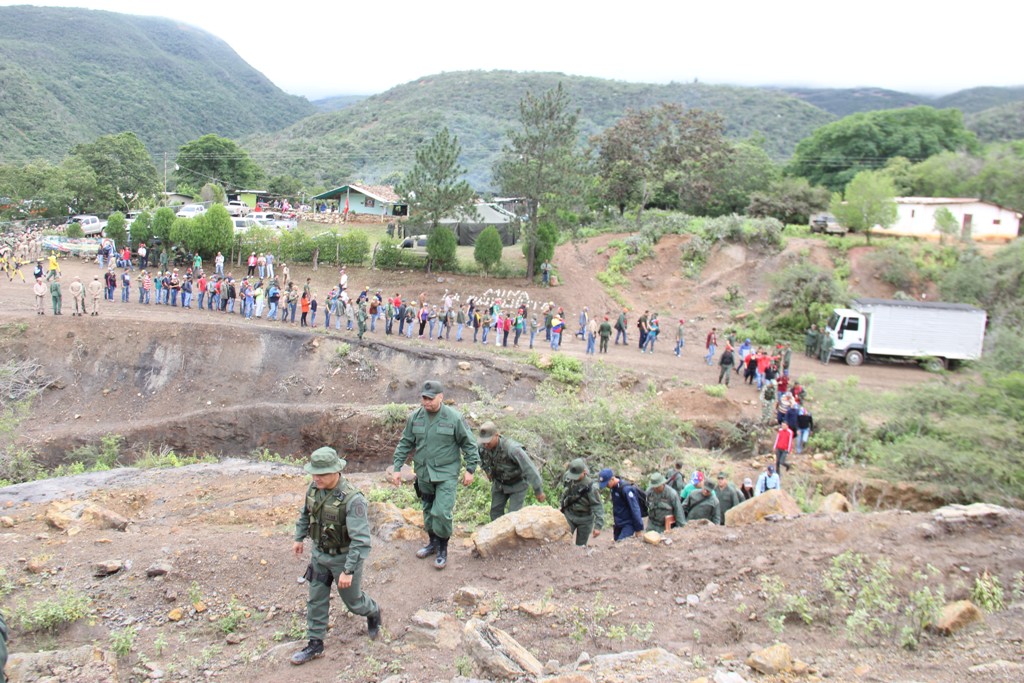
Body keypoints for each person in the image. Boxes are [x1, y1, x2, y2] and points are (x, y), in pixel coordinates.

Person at [291, 447, 382, 665]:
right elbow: (306, 514)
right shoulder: (313, 489)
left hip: (343, 559)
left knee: (354, 603)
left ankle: (373, 611)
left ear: (336, 471)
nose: (316, 478)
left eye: (321, 474)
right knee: (316, 599)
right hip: (320, 556)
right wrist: (298, 537)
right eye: (314, 473)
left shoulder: (353, 499)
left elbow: (361, 541)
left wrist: (348, 570)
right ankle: (315, 644)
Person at [390, 380, 478, 570]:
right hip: (424, 473)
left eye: (430, 398)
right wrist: (397, 467)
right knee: (428, 510)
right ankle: (432, 543)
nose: (426, 402)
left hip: (446, 473)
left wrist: (470, 469)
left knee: (442, 513)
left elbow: (469, 444)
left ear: (441, 397)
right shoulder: (415, 417)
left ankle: (443, 549)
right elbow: (405, 443)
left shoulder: (454, 418)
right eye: (424, 398)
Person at [477, 421, 546, 520]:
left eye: (488, 441)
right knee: (495, 513)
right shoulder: (481, 446)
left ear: (496, 435)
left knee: (513, 517)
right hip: (499, 484)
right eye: (483, 441)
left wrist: (538, 490)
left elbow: (529, 468)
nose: (485, 444)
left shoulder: (512, 449)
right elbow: (477, 457)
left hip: (517, 484)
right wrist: (487, 470)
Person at [559, 458, 604, 546]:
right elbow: (565, 492)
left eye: (576, 475)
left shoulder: (591, 487)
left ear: (584, 472)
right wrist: (561, 505)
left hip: (585, 520)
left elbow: (597, 506)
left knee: (580, 546)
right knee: (563, 543)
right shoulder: (568, 477)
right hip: (569, 515)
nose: (574, 477)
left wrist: (598, 526)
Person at [598, 468, 644, 541]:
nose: (606, 486)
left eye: (607, 483)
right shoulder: (613, 489)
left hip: (628, 525)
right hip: (618, 524)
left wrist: (638, 528)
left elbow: (635, 509)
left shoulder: (626, 489)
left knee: (621, 544)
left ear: (612, 479)